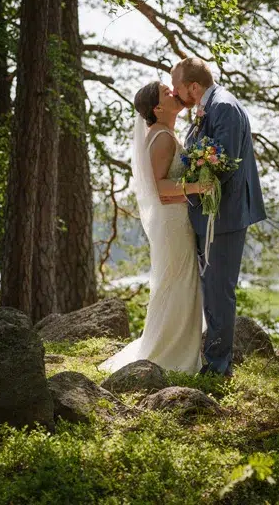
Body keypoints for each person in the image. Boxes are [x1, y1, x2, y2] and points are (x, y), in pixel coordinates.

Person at [98, 81, 211, 374]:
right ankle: (169, 355)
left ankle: (176, 348)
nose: (174, 92)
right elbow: (159, 188)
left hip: (176, 219)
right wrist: (201, 186)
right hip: (172, 221)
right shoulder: (161, 137)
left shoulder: (164, 133)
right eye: (166, 91)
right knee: (178, 282)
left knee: (179, 282)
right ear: (158, 107)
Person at [170, 58, 266, 377]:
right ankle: (214, 359)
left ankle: (218, 367)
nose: (175, 92)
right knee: (211, 287)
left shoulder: (223, 107)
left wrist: (190, 190)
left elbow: (221, 166)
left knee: (219, 289)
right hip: (211, 213)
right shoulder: (208, 107)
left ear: (194, 87)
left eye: (178, 87)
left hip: (222, 215)